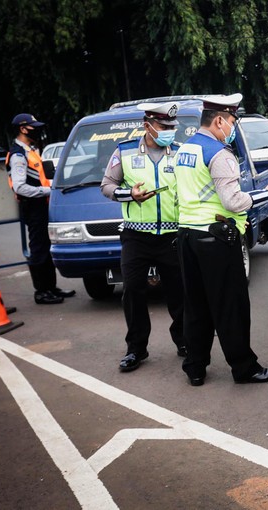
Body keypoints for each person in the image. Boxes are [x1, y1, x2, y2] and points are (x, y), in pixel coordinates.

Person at [174, 93, 268, 387]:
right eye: (233, 121)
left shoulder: (184, 150)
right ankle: (244, 368)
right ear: (220, 120)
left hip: (187, 236)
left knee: (195, 306)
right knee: (230, 305)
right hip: (216, 240)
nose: (234, 128)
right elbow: (233, 201)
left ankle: (195, 367)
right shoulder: (219, 153)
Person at [101, 101, 186, 372]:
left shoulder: (181, 153)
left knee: (179, 292)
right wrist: (130, 195)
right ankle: (136, 349)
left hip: (173, 234)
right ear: (147, 126)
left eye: (172, 127)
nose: (169, 131)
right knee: (133, 292)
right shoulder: (124, 152)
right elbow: (107, 186)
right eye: (164, 127)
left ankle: (185, 341)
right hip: (136, 236)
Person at [5, 113, 76, 305]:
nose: (37, 130)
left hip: (41, 205)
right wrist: (48, 191)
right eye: (33, 126)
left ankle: (51, 288)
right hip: (33, 206)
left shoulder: (30, 150)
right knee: (38, 248)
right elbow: (19, 187)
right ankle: (41, 292)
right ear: (23, 129)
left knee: (46, 246)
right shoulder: (18, 155)